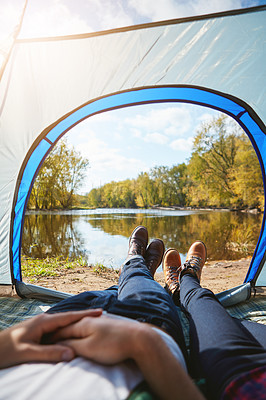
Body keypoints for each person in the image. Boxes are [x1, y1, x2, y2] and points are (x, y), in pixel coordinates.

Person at [0, 226, 204, 400]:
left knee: (111, 292)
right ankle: (137, 266)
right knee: (138, 285)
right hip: (141, 328)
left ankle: (135, 265)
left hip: (59, 326)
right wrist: (144, 343)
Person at [163, 242, 266, 400]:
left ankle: (185, 280)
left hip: (246, 382)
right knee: (223, 320)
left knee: (201, 299)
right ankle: (186, 281)